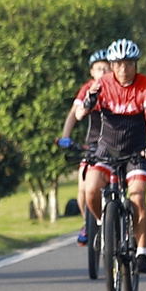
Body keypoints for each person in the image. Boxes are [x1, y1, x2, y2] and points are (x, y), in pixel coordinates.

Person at [62, 38, 146, 273]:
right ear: (112, 65)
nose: (123, 69)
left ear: (136, 64)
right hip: (106, 148)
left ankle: (141, 252)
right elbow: (80, 114)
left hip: (136, 150)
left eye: (128, 64)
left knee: (137, 196)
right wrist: (90, 100)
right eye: (118, 64)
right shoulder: (101, 84)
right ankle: (102, 224)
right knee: (90, 189)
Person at [56, 49, 113, 244]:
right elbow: (75, 112)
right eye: (99, 68)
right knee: (83, 187)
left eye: (106, 68)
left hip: (116, 143)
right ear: (92, 72)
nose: (103, 72)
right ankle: (88, 222)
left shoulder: (118, 88)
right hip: (94, 143)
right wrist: (65, 137)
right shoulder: (88, 89)